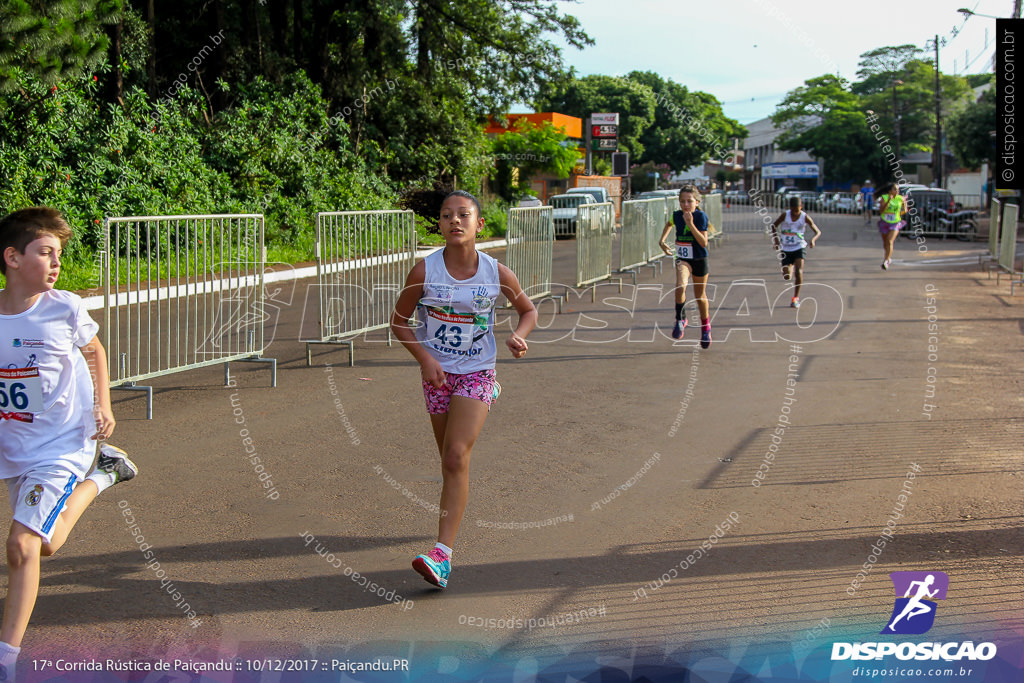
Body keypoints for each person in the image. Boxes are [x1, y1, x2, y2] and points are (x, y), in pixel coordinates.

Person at [0, 207, 138, 681]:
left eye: (59, 254)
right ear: (12, 258)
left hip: (64, 442)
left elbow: (94, 350)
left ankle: (6, 661)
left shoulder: (64, 306)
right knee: (44, 545)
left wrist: (105, 405)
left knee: (20, 546)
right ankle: (104, 475)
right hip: (15, 446)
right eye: (46, 253)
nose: (56, 263)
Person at [390, 190, 537, 589]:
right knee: (450, 461)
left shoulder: (496, 273)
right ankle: (449, 519)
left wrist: (519, 336)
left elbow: (528, 310)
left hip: (476, 370)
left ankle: (442, 557)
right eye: (446, 215)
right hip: (438, 375)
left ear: (479, 224)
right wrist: (425, 358)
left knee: (455, 457)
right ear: (438, 225)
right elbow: (400, 321)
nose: (455, 221)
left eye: (464, 214)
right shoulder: (424, 272)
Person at [659, 185, 712, 348]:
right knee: (680, 286)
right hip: (682, 258)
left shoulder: (701, 216)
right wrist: (662, 241)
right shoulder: (676, 215)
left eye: (689, 201)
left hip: (699, 259)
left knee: (700, 296)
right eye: (682, 201)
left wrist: (690, 223)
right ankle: (680, 318)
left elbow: (703, 242)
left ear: (697, 202)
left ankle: (705, 327)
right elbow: (669, 224)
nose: (686, 205)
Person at [771, 195, 821, 309]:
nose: (795, 213)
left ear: (801, 207)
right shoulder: (785, 215)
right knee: (787, 276)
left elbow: (818, 231)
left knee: (799, 272)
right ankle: (790, 266)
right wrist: (776, 240)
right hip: (786, 248)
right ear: (790, 208)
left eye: (797, 211)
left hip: (799, 247)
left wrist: (813, 240)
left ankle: (795, 298)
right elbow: (773, 226)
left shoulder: (804, 217)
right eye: (793, 211)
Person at [877, 182, 907, 270]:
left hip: (895, 222)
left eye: (898, 189)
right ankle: (888, 257)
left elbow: (905, 210)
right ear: (890, 190)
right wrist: (888, 201)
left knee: (890, 241)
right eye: (895, 189)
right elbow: (881, 211)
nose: (897, 191)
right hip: (885, 222)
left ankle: (886, 261)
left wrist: (899, 214)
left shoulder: (900, 198)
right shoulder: (884, 198)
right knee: (885, 242)